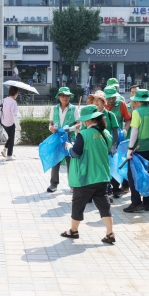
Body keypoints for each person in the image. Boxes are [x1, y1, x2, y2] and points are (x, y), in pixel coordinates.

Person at [60, 105, 116, 245]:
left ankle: (74, 230)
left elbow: (75, 153)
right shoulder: (106, 134)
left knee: (78, 204)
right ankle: (110, 233)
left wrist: (68, 146)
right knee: (104, 205)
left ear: (87, 120)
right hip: (102, 176)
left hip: (85, 177)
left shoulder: (83, 135)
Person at [123, 89, 149, 213]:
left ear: (137, 101)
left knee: (133, 175)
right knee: (147, 174)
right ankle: (147, 202)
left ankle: (136, 202)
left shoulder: (137, 112)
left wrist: (130, 149)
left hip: (138, 148)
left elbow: (135, 132)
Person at [47, 87, 78, 193]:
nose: (65, 98)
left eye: (67, 96)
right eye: (63, 95)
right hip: (57, 138)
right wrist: (51, 128)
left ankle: (73, 184)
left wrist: (70, 129)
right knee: (55, 161)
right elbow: (50, 123)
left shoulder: (74, 109)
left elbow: (79, 123)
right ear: (59, 97)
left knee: (71, 162)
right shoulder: (54, 108)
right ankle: (53, 184)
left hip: (70, 138)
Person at [0, 86, 19, 161]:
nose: (17, 95)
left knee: (10, 137)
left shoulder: (4, 100)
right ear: (15, 93)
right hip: (10, 123)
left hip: (4, 122)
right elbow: (14, 115)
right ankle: (9, 155)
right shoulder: (13, 102)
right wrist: (18, 126)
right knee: (11, 139)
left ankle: (4, 150)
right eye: (17, 93)